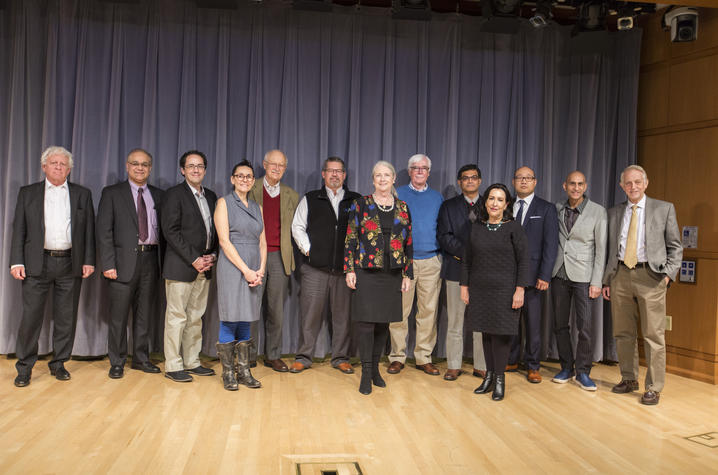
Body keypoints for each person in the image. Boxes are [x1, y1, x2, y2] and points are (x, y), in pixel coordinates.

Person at [10, 146, 95, 387]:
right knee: (31, 318)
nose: (58, 167)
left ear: (69, 169)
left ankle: (58, 363)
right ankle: (24, 367)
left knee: (66, 318)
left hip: (70, 263)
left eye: (63, 164)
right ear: (44, 166)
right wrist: (17, 261)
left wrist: (89, 260)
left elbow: (88, 230)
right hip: (37, 263)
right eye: (54, 163)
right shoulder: (28, 193)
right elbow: (19, 230)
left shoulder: (82, 194)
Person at [602, 165, 682, 405]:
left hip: (651, 276)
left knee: (653, 335)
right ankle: (629, 378)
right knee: (622, 332)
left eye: (637, 182)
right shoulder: (614, 212)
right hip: (620, 275)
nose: (633, 187)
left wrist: (667, 275)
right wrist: (608, 279)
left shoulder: (664, 208)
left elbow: (676, 247)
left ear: (646, 183)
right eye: (628, 183)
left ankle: (654, 387)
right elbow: (610, 249)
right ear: (621, 186)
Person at [345, 161, 413, 395]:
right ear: (372, 179)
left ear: (394, 179)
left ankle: (375, 369)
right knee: (366, 324)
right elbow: (351, 238)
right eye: (378, 176)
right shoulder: (360, 204)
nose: (382, 179)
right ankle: (365, 371)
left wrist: (407, 273)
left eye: (387, 175)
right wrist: (350, 269)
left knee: (384, 322)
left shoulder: (403, 207)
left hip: (392, 272)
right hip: (367, 271)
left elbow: (408, 243)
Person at [96, 149, 164, 379]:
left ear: (150, 168)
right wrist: (107, 263)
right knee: (118, 316)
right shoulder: (112, 193)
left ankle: (141, 359)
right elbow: (103, 232)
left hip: (151, 260)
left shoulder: (159, 195)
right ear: (127, 166)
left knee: (145, 314)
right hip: (121, 263)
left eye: (145, 164)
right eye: (135, 163)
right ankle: (117, 361)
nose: (140, 168)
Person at [289, 157, 361, 374]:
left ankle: (341, 357)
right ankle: (304, 356)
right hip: (314, 270)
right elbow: (297, 227)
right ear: (323, 174)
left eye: (339, 171)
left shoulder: (356, 200)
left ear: (344, 175)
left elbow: (365, 231)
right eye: (330, 171)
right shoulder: (311, 198)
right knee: (309, 316)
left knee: (343, 318)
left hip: (345, 271)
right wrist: (309, 249)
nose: (335, 175)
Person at [461, 183, 530, 401]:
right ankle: (488, 377)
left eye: (500, 200)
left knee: (500, 336)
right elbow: (467, 260)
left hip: (505, 290)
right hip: (480, 290)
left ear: (506, 204)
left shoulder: (513, 228)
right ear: (486, 201)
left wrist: (520, 290)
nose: (495, 203)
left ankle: (500, 379)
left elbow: (524, 261)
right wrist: (464, 287)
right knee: (486, 333)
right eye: (491, 198)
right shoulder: (477, 227)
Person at [161, 150, 218, 383]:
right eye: (191, 166)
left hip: (205, 266)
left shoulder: (212, 196)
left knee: (196, 317)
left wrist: (212, 255)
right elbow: (170, 231)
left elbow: (215, 231)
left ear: (205, 169)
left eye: (200, 166)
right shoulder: (174, 195)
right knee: (177, 316)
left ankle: (192, 361)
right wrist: (194, 258)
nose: (196, 170)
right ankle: (173, 365)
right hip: (181, 266)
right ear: (182, 170)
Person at [550, 171, 607, 390]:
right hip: (559, 273)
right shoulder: (556, 209)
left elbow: (601, 250)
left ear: (585, 186)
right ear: (565, 186)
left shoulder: (597, 212)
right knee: (560, 324)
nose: (575, 187)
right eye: (572, 184)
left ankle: (583, 372)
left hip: (584, 277)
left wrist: (597, 281)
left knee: (584, 327)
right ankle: (567, 367)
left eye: (580, 184)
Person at [388, 154, 443, 376]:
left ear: (429, 172)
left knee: (428, 312)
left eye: (423, 168)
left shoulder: (437, 197)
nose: (419, 171)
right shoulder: (397, 194)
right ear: (409, 171)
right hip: (403, 262)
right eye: (415, 168)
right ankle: (397, 357)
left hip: (431, 260)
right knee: (399, 312)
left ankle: (423, 357)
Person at [214, 160, 265, 391]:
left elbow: (263, 242)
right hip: (233, 266)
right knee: (230, 317)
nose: (244, 179)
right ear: (232, 179)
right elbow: (224, 241)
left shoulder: (257, 207)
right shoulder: (223, 203)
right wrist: (246, 270)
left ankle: (244, 370)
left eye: (249, 176)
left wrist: (260, 268)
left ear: (253, 181)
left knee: (247, 317)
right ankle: (228, 373)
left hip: (255, 267)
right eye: (240, 176)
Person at [248, 150, 299, 372]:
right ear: (264, 164)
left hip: (279, 256)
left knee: (276, 310)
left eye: (281, 165)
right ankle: (247, 355)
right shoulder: (250, 188)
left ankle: (273, 355)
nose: (277, 168)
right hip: (253, 256)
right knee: (251, 308)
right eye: (273, 164)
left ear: (285, 168)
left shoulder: (292, 195)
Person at [507, 166, 558, 383]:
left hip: (535, 277)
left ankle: (533, 365)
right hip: (508, 275)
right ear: (513, 181)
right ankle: (511, 359)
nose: (524, 182)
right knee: (510, 321)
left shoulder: (546, 208)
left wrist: (545, 275)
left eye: (528, 178)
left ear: (535, 182)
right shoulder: (505, 206)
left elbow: (551, 245)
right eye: (520, 178)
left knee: (533, 323)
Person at [437, 164, 486, 381]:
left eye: (473, 177)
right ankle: (454, 365)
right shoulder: (448, 206)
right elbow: (444, 236)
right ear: (459, 182)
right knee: (455, 321)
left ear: (480, 180)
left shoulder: (490, 204)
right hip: (456, 269)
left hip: (484, 273)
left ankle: (481, 365)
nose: (469, 181)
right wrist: (467, 253)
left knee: (480, 323)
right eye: (465, 178)